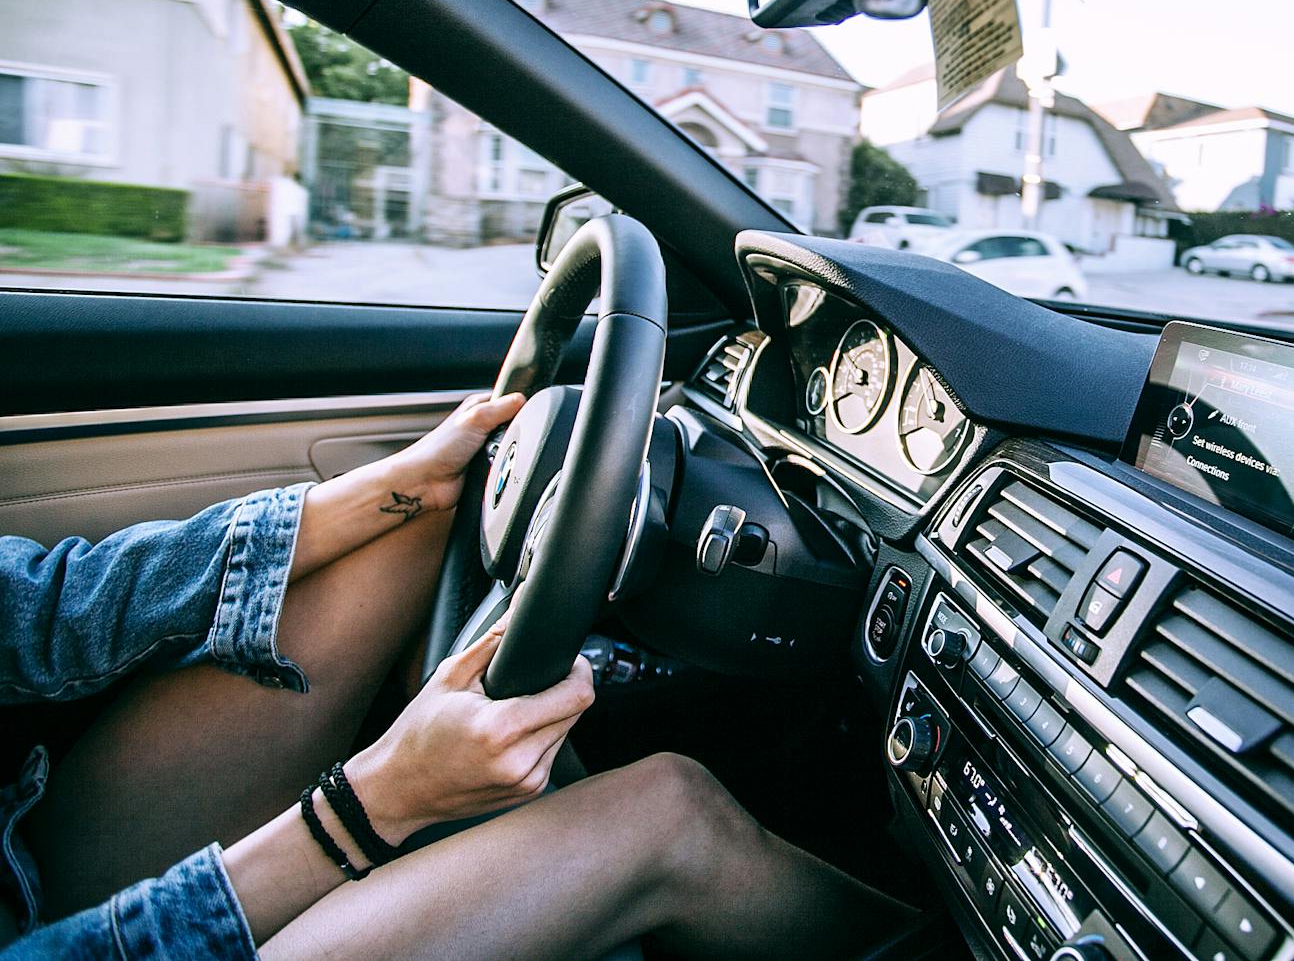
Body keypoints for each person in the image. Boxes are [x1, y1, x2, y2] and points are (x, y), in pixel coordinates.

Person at [1, 394, 908, 959]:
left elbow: (42, 612)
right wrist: (371, 806)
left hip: (26, 863)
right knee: (668, 809)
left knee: (409, 528)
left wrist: (386, 491)